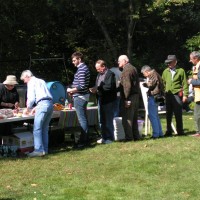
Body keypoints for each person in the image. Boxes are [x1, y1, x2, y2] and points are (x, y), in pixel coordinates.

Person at [20, 70, 53, 157]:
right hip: (49, 104)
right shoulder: (41, 80)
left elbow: (31, 98)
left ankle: (38, 150)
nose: (24, 82)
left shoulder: (31, 82)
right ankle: (45, 150)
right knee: (44, 129)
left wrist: (27, 108)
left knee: (37, 129)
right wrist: (36, 107)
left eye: (24, 79)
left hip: (43, 104)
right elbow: (45, 95)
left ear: (27, 76)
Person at [90, 60, 117, 144]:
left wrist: (98, 88)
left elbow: (109, 87)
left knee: (108, 120)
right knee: (101, 120)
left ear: (104, 66)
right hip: (100, 99)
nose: (97, 70)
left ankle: (110, 138)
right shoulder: (99, 75)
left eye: (98, 69)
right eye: (96, 69)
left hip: (108, 100)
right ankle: (103, 137)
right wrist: (94, 88)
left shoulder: (110, 74)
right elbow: (97, 85)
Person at [67, 52, 90, 148]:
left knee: (82, 120)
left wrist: (71, 90)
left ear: (79, 59)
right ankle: (84, 140)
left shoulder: (81, 69)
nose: (73, 62)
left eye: (74, 60)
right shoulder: (84, 68)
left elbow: (82, 85)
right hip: (82, 96)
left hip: (80, 97)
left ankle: (83, 142)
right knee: (83, 119)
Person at [162, 55, 188, 136]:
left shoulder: (181, 71)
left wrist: (185, 95)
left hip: (177, 95)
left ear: (175, 62)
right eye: (168, 63)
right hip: (168, 95)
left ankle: (180, 131)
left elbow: (185, 84)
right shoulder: (165, 71)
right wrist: (163, 93)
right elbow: (163, 83)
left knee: (178, 114)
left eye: (170, 62)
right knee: (168, 114)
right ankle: (168, 131)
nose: (168, 64)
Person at [118, 55, 141, 141]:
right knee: (134, 118)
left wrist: (126, 99)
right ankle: (136, 136)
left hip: (130, 96)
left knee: (127, 119)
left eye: (119, 61)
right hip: (135, 96)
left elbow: (127, 86)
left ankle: (129, 138)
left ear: (124, 61)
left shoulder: (126, 70)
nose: (118, 63)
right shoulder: (133, 68)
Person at [141, 65, 164, 139]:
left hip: (153, 97)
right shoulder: (156, 74)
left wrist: (143, 84)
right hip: (157, 97)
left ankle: (156, 134)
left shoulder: (152, 74)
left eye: (144, 74)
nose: (144, 75)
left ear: (147, 71)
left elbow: (150, 85)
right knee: (156, 116)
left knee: (152, 116)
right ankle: (160, 133)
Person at [188, 51, 200, 136]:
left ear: (196, 58)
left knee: (197, 115)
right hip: (197, 94)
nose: (190, 61)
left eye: (191, 59)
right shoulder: (196, 67)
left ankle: (198, 132)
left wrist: (191, 81)